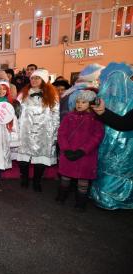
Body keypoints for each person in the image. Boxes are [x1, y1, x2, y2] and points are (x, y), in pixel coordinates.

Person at [89, 62, 133, 210]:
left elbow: (124, 124)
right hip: (106, 142)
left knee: (118, 169)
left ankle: (116, 197)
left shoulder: (131, 101)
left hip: (124, 145)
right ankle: (100, 194)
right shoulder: (106, 99)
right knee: (104, 166)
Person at [56, 89, 104, 211]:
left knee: (83, 181)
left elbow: (97, 136)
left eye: (83, 102)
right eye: (78, 101)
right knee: (65, 177)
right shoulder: (69, 116)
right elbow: (62, 133)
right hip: (69, 153)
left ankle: (80, 203)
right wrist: (66, 149)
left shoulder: (96, 119)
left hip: (85, 156)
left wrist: (83, 150)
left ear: (91, 104)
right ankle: (62, 196)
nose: (79, 104)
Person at [17, 69, 59, 192]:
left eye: (37, 78)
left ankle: (37, 181)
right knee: (23, 157)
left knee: (41, 158)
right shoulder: (23, 94)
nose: (34, 80)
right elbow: (16, 112)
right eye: (32, 78)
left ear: (43, 80)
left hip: (44, 131)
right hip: (25, 130)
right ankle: (24, 178)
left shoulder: (52, 95)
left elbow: (55, 114)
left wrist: (54, 133)